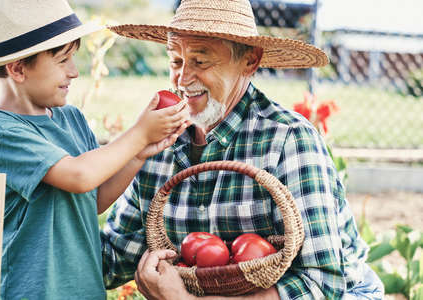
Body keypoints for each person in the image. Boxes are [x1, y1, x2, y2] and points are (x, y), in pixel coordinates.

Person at [101, 0, 384, 299]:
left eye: (200, 61)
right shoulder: (158, 140)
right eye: (176, 61)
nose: (182, 79)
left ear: (250, 61)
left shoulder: (288, 140)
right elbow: (115, 258)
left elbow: (321, 283)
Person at [0, 1, 189, 299]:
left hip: (84, 288)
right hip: (37, 291)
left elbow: (94, 198)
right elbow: (78, 176)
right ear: (18, 68)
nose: (74, 72)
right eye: (63, 61)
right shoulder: (1, 129)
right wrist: (138, 134)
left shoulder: (70, 117)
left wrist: (140, 153)